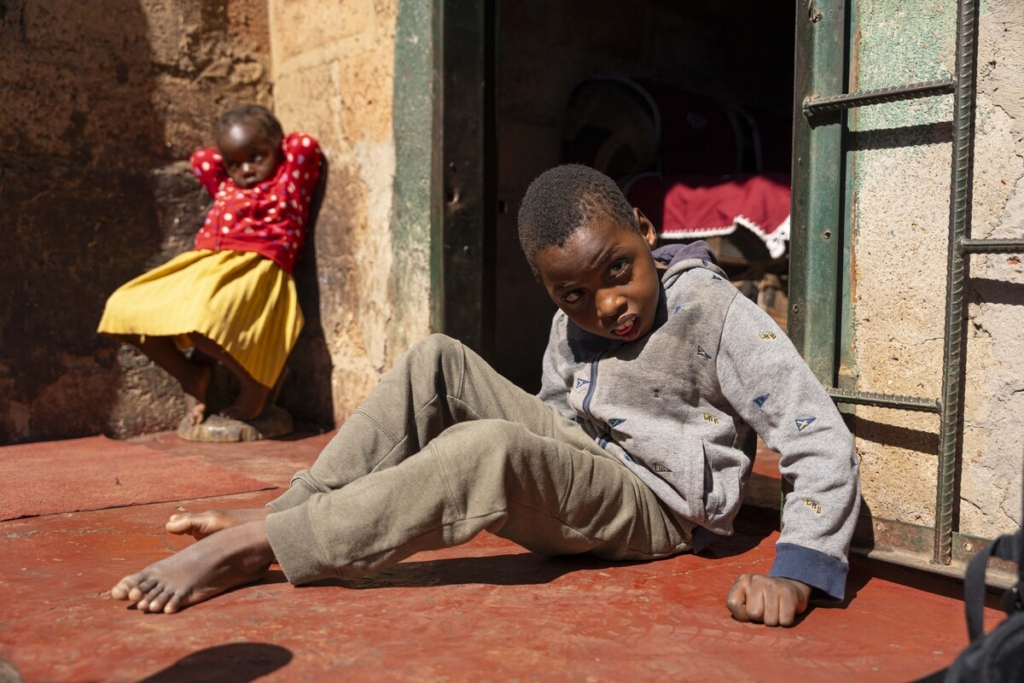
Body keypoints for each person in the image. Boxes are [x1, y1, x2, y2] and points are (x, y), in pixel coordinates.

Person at [110, 164, 859, 627]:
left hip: (660, 509)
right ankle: (290, 510)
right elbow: (558, 418)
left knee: (486, 451)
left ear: (644, 230)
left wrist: (798, 569)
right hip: (596, 468)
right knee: (438, 357)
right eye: (573, 293)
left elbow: (815, 431)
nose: (607, 305)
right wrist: (551, 459)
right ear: (549, 288)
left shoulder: (711, 310)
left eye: (621, 270)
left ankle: (260, 545)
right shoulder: (573, 321)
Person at [97, 105, 322, 424]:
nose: (245, 169)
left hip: (256, 267)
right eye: (234, 162)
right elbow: (202, 159)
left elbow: (303, 145)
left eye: (256, 156)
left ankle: (255, 386)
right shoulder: (227, 185)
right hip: (206, 264)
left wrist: (273, 145)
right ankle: (191, 375)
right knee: (123, 308)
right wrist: (240, 150)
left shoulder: (288, 182)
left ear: (276, 147)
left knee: (203, 324)